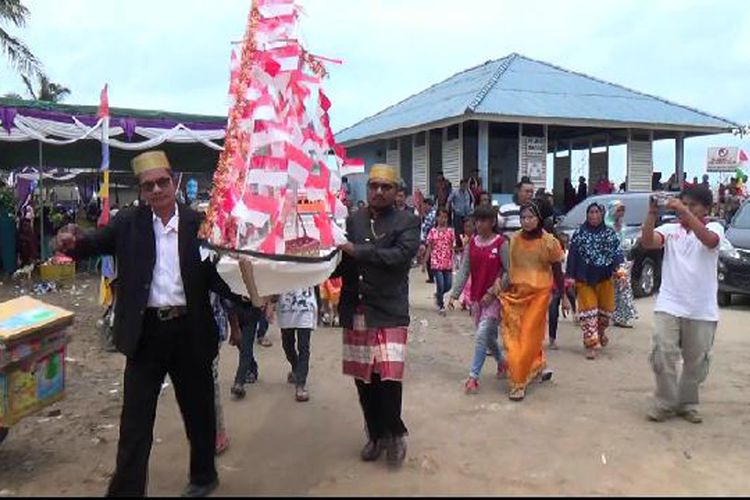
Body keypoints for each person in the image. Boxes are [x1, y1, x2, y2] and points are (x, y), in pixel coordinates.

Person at [55, 150, 239, 497]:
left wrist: (248, 297)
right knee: (135, 420)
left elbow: (219, 275)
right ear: (141, 191)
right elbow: (92, 243)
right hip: (146, 334)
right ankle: (126, 490)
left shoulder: (199, 224)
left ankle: (203, 476)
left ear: (174, 182)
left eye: (162, 182)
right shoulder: (129, 224)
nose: (156, 190)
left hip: (190, 332)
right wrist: (72, 241)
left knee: (199, 411)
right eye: (148, 185)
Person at [333, 163, 420, 469]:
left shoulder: (408, 221)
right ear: (367, 189)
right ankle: (376, 434)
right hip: (356, 307)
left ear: (397, 192)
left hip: (389, 310)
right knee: (364, 379)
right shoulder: (353, 220)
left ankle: (395, 433)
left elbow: (398, 258)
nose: (379, 192)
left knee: (388, 376)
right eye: (374, 186)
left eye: (386, 187)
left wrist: (358, 251)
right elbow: (343, 262)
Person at [641, 185, 723, 424]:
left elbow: (709, 241)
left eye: (692, 205)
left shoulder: (714, 227)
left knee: (696, 361)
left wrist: (684, 212)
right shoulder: (670, 229)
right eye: (683, 204)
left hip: (702, 308)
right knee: (662, 354)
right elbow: (648, 242)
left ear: (706, 209)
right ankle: (665, 402)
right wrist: (652, 213)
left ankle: (687, 403)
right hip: (669, 303)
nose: (685, 209)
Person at [496, 202, 568, 401]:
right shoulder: (513, 240)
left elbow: (557, 272)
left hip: (540, 295)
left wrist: (563, 296)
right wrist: (499, 285)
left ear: (538, 219)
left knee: (527, 335)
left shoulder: (549, 242)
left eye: (530, 217)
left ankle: (518, 382)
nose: (526, 221)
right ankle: (537, 365)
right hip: (516, 294)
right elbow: (507, 268)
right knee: (513, 338)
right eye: (523, 218)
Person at [448, 206, 509, 394]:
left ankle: (473, 377)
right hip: (476, 298)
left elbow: (510, 271)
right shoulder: (472, 243)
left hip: (494, 299)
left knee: (482, 336)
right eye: (477, 221)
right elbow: (465, 270)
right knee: (489, 338)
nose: (479, 224)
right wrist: (454, 294)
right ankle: (502, 362)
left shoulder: (501, 243)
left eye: (483, 221)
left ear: (492, 222)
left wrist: (493, 291)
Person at [566, 202, 624, 360]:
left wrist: (620, 269)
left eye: (597, 212)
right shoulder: (579, 233)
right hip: (584, 278)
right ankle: (591, 344)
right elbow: (572, 255)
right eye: (590, 212)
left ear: (602, 214)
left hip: (605, 277)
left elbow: (617, 253)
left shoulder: (609, 233)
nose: (593, 215)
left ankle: (600, 332)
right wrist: (570, 276)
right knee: (588, 311)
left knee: (605, 313)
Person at [275, 287, 317, 402]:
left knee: (303, 347)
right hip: (286, 310)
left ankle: (300, 385)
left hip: (306, 308)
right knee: (287, 346)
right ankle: (296, 368)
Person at [606, 201, 638, 328]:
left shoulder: (621, 225)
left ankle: (624, 316)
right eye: (619, 210)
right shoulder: (607, 225)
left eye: (622, 210)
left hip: (621, 259)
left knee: (624, 287)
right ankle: (612, 315)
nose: (621, 213)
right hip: (609, 259)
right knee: (611, 288)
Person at [547, 232, 576, 350]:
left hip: (561, 282)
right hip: (549, 283)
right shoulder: (549, 253)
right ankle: (550, 338)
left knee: (570, 296)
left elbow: (565, 271)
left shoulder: (566, 255)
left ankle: (576, 313)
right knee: (552, 311)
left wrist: (570, 280)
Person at [424, 208, 455, 315]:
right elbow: (429, 247)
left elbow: (452, 247)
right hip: (436, 262)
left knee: (449, 285)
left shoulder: (451, 231)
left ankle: (438, 295)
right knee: (440, 284)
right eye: (441, 217)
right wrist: (424, 262)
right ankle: (441, 304)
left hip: (447, 262)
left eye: (445, 217)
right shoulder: (433, 232)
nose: (443, 219)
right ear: (437, 218)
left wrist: (454, 260)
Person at [419, 198, 437, 284]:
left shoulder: (430, 215)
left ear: (428, 205)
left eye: (424, 205)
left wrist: (423, 241)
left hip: (430, 240)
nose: (424, 207)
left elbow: (425, 229)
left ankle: (431, 277)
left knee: (429, 258)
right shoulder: (434, 214)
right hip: (434, 239)